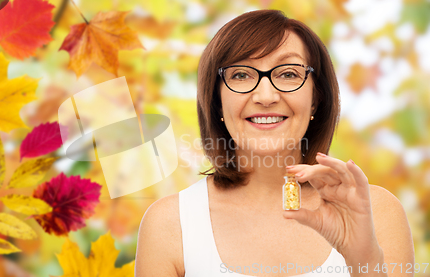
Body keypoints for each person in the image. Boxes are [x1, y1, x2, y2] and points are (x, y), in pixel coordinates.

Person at [135, 9, 414, 277]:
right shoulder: (170, 224)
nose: (265, 96)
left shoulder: (376, 214)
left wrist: (364, 261)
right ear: (217, 102)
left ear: (316, 97)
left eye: (288, 74)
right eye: (241, 75)